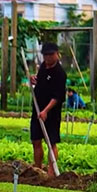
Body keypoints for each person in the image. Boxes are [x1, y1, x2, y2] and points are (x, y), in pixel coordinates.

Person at [30, 41, 67, 174]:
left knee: (51, 143)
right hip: (37, 110)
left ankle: (51, 173)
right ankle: (38, 169)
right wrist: (34, 80)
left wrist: (46, 111)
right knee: (36, 140)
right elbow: (40, 83)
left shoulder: (60, 73)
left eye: (51, 55)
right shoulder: (43, 68)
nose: (48, 58)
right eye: (45, 55)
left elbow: (57, 97)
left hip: (51, 113)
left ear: (57, 54)